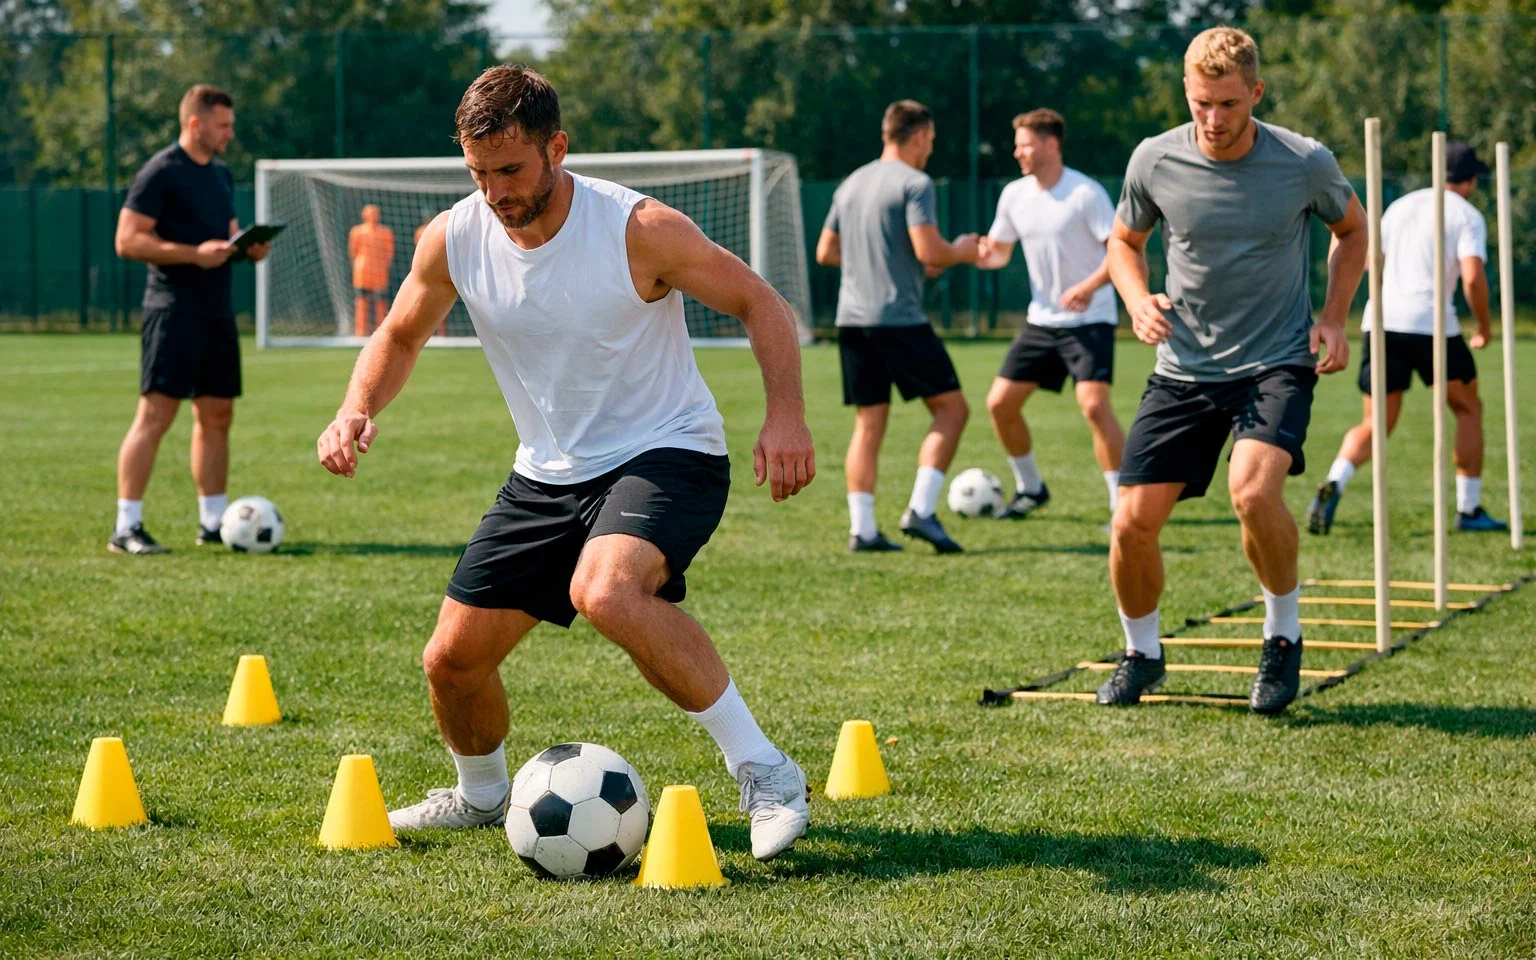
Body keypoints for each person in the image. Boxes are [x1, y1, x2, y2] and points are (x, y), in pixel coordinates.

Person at [316, 66, 815, 860]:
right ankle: (482, 797)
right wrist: (355, 409)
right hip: (547, 473)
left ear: (557, 147)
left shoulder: (638, 228)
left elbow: (762, 302)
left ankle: (768, 773)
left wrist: (785, 417)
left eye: (511, 170)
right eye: (479, 174)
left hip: (668, 449)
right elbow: (401, 333)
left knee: (606, 592)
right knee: (450, 662)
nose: (496, 192)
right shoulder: (454, 236)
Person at [1100, 27, 1368, 713]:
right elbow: (1124, 242)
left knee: (1252, 493)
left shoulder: (1303, 161)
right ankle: (1142, 652)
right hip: (1183, 367)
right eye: (1199, 105)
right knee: (1130, 523)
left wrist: (1334, 317)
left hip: (1275, 361)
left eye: (1227, 104)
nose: (1213, 120)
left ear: (1256, 93)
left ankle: (1282, 637)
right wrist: (1136, 300)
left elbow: (1353, 230)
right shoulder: (1153, 159)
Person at [1307, 141, 1507, 534]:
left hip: (1382, 321)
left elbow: (1366, 259)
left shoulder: (1398, 207)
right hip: (1433, 325)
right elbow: (1472, 278)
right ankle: (1469, 509)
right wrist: (1484, 327)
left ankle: (1335, 480)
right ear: (1467, 181)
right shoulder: (1467, 215)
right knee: (1467, 409)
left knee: (1376, 422)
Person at [110, 84, 270, 555]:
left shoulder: (220, 174)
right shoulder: (160, 172)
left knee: (217, 414)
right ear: (195, 124)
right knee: (156, 415)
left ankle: (214, 522)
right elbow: (127, 240)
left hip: (216, 311)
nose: (229, 135)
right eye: (223, 126)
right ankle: (126, 526)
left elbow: (223, 237)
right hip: (172, 309)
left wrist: (247, 248)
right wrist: (191, 256)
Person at [815, 99, 980, 554]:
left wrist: (881, 260)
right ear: (919, 136)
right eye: (930, 141)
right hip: (898, 319)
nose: (930, 150)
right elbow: (931, 252)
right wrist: (963, 249)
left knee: (868, 425)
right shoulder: (916, 182)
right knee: (952, 411)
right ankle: (921, 512)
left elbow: (826, 252)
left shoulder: (851, 183)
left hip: (852, 321)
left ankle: (862, 530)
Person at [975, 108, 1124, 521]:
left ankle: (1122, 504)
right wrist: (971, 254)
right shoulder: (1014, 195)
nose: (1017, 152)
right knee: (1000, 404)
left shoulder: (1086, 193)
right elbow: (999, 254)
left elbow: (1120, 253)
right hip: (1042, 321)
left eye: (1025, 144)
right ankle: (1031, 488)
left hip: (1090, 318)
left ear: (1051, 144)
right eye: (1017, 144)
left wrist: (1087, 287)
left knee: (1094, 407)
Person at [349, 204, 394, 337]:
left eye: (375, 213)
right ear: (364, 215)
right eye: (370, 213)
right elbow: (353, 252)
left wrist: (384, 266)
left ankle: (381, 332)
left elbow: (389, 253)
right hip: (362, 272)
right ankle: (360, 332)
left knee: (381, 302)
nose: (373, 216)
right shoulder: (357, 231)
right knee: (361, 302)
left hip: (379, 272)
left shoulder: (386, 232)